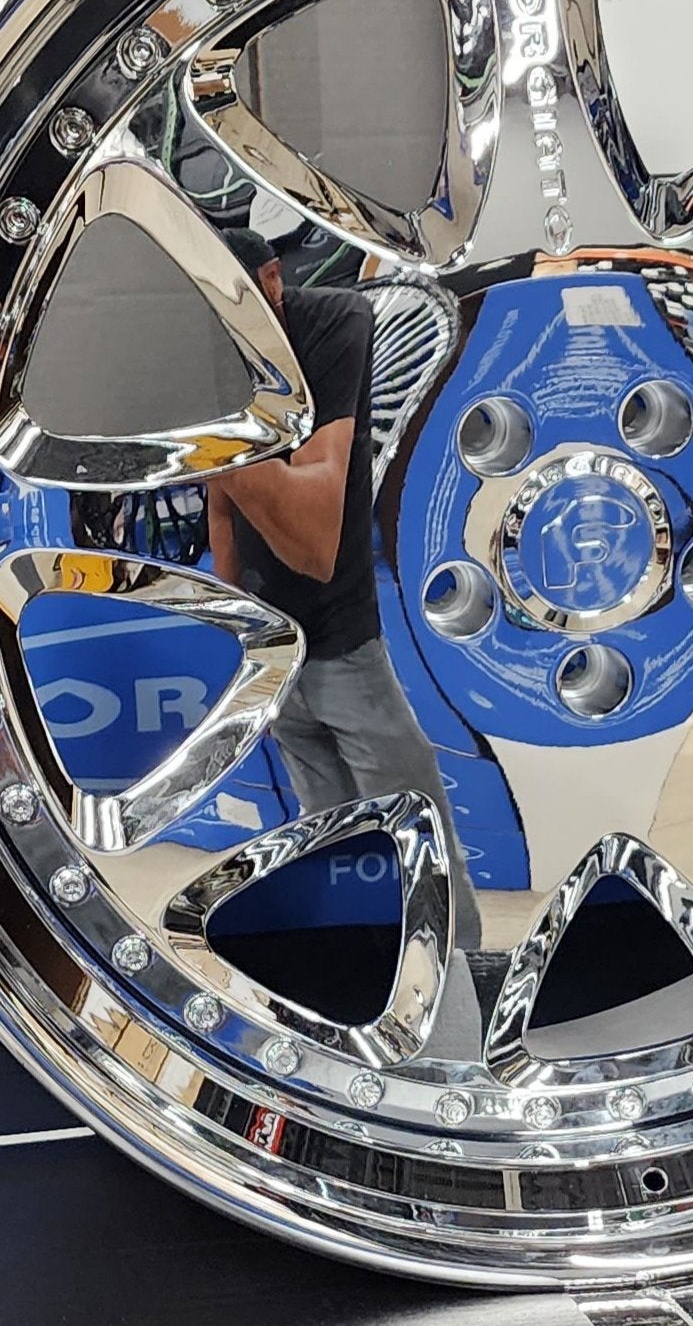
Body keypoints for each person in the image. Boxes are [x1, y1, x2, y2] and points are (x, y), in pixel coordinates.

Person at [207, 224, 482, 949]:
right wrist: (240, 633)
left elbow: (317, 546)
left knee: (420, 845)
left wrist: (203, 421)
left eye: (231, 299)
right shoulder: (207, 351)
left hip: (340, 643)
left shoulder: (332, 321)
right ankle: (364, 980)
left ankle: (464, 991)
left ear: (270, 281)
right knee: (328, 851)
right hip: (274, 652)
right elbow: (221, 509)